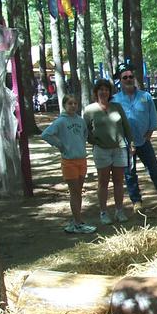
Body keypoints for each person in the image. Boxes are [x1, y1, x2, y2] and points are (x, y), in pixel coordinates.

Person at [113, 63, 157, 212]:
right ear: (120, 80)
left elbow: (153, 117)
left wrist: (149, 133)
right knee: (129, 173)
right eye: (125, 77)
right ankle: (136, 201)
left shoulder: (145, 96)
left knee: (154, 169)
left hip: (144, 141)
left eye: (130, 76)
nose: (128, 79)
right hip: (125, 144)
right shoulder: (114, 100)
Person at [41, 95, 97, 234]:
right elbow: (46, 134)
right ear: (64, 105)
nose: (73, 106)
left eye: (75, 103)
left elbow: (84, 135)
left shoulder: (80, 121)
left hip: (81, 160)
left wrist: (80, 147)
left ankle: (77, 221)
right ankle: (78, 223)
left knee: (79, 191)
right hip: (69, 161)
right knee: (75, 192)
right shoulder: (61, 121)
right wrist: (60, 145)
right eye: (70, 103)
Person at [83, 79, 134, 225]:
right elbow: (85, 130)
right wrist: (94, 141)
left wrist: (131, 143)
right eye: (101, 89)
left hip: (119, 148)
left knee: (119, 181)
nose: (104, 92)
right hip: (101, 150)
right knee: (103, 182)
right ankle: (104, 212)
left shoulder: (117, 106)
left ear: (110, 92)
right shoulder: (89, 110)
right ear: (96, 92)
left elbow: (126, 126)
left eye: (106, 89)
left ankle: (119, 210)